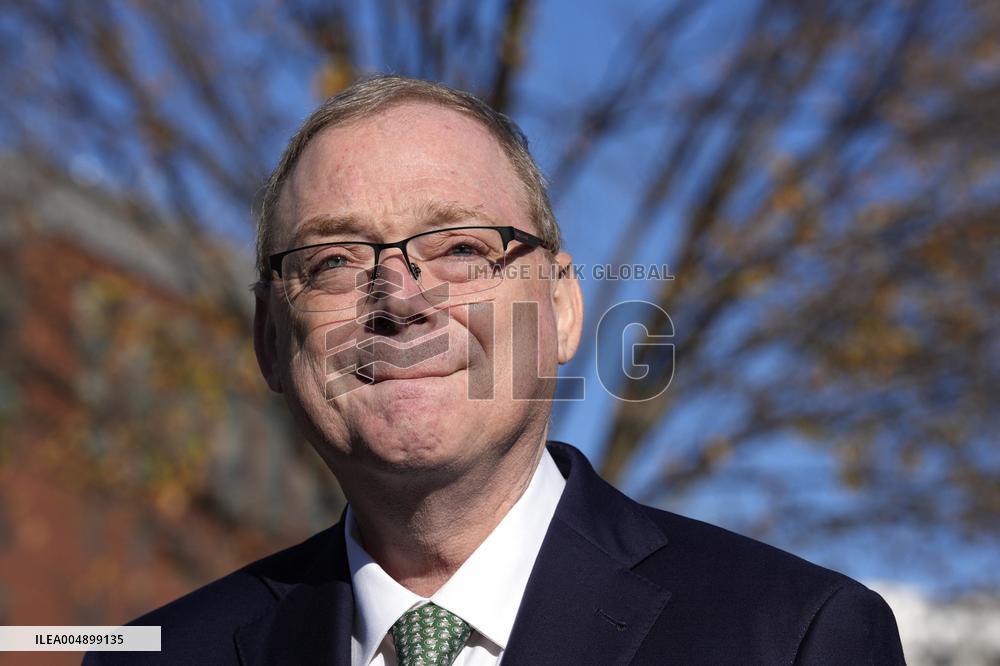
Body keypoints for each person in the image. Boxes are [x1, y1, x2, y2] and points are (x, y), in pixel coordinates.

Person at [83, 75, 904, 665]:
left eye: (464, 249)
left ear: (564, 310)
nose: (399, 298)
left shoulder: (795, 638)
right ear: (271, 339)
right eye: (334, 259)